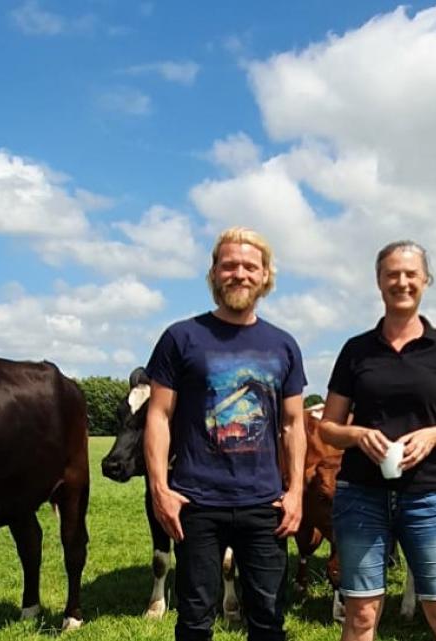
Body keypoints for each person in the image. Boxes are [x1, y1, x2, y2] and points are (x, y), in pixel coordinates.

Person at [144, 226, 307, 641]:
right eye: (229, 265)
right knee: (195, 619)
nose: (239, 273)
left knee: (268, 619)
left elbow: (293, 424)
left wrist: (295, 495)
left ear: (266, 276)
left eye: (250, 266)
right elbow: (159, 416)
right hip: (196, 502)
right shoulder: (181, 337)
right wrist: (160, 489)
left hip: (264, 504)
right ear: (214, 273)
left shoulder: (283, 345)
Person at [319, 240, 436, 641]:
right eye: (392, 274)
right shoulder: (356, 350)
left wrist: (433, 435)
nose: (402, 282)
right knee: (360, 614)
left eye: (411, 274)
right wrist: (358, 435)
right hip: (361, 494)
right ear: (379, 282)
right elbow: (327, 428)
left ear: (426, 280)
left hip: (429, 496)